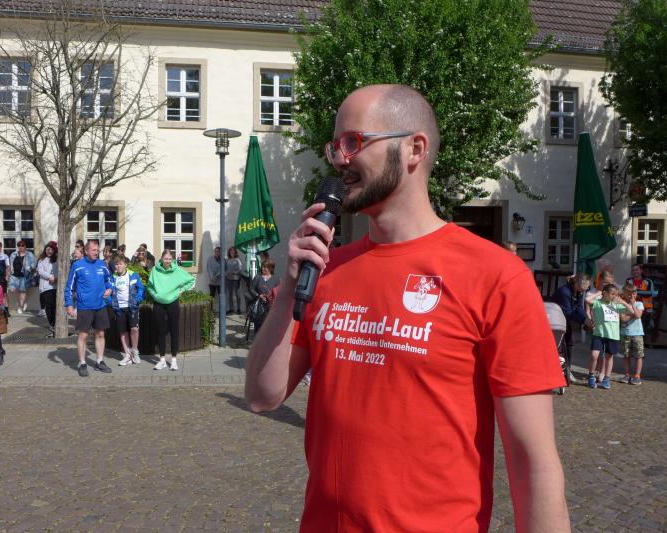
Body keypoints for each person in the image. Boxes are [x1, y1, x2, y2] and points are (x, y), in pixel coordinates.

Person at [245, 84, 569, 531]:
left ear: (414, 149)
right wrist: (287, 288)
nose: (338, 159)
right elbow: (262, 396)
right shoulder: (326, 270)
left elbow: (533, 462)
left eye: (354, 142)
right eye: (335, 146)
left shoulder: (497, 276)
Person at [64, 240, 113, 377]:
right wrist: (69, 304)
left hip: (100, 305)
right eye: (93, 250)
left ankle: (99, 361)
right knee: (83, 335)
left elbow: (109, 280)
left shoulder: (101, 264)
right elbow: (69, 287)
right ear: (86, 251)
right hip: (85, 306)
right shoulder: (77, 266)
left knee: (100, 334)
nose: (96, 252)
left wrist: (110, 289)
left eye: (97, 250)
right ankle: (82, 363)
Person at [147, 249, 195, 371]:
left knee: (174, 331)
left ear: (172, 260)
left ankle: (174, 360)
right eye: (165, 258)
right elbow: (150, 286)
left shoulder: (177, 270)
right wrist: (155, 295)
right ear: (161, 259)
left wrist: (181, 290)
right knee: (160, 331)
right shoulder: (155, 270)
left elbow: (191, 280)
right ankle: (162, 360)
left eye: (169, 259)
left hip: (173, 302)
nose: (167, 261)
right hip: (158, 303)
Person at [585, 282, 639, 389]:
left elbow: (631, 311)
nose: (614, 296)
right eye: (612, 294)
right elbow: (587, 300)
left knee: (609, 357)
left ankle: (606, 378)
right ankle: (591, 376)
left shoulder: (616, 305)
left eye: (616, 294)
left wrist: (623, 302)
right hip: (599, 334)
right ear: (605, 293)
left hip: (612, 335)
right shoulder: (598, 303)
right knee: (594, 355)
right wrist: (599, 293)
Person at [550, 273, 592, 383]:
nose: (583, 291)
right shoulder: (564, 292)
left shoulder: (579, 291)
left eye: (586, 289)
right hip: (554, 320)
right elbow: (568, 312)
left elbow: (579, 308)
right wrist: (584, 321)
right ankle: (557, 370)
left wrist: (586, 319)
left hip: (564, 319)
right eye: (582, 288)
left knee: (569, 343)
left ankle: (567, 370)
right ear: (576, 283)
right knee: (559, 345)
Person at [110, 256, 145, 366]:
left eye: (120, 264)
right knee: (123, 331)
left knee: (134, 329)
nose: (118, 266)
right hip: (119, 308)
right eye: (116, 264)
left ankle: (135, 351)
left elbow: (141, 288)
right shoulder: (113, 277)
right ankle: (127, 354)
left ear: (125, 265)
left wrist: (138, 299)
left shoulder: (133, 275)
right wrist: (111, 302)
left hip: (132, 307)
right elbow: (108, 291)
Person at [620, 283, 646, 385]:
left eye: (634, 293)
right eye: (629, 294)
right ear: (624, 293)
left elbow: (638, 315)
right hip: (625, 333)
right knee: (626, 355)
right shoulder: (621, 304)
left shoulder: (639, 304)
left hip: (637, 334)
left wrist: (633, 305)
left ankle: (637, 376)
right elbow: (623, 319)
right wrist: (633, 313)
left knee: (638, 355)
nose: (631, 296)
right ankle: (627, 375)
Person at [247, 259, 279, 336]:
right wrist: (258, 295)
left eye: (266, 267)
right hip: (259, 306)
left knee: (269, 326)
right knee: (258, 326)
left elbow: (278, 291)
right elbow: (251, 289)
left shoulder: (276, 278)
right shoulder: (258, 277)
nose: (263, 268)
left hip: (271, 306)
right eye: (263, 266)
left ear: (271, 268)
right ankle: (257, 341)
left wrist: (271, 297)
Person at [625, 263, 657, 334]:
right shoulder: (628, 281)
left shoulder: (648, 281)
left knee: (644, 330)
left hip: (645, 309)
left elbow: (650, 294)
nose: (635, 272)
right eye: (633, 270)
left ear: (641, 271)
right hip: (632, 308)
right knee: (631, 328)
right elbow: (626, 293)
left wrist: (636, 291)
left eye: (637, 270)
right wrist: (639, 292)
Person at [9, 240, 36, 314]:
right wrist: (9, 272)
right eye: (19, 245)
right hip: (14, 275)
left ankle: (20, 306)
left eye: (22, 245)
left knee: (22, 291)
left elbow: (34, 264)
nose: (20, 247)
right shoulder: (13, 254)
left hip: (24, 276)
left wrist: (29, 268)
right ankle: (22, 301)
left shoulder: (30, 254)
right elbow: (10, 264)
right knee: (12, 289)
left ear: (25, 246)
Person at [37, 241, 59, 332]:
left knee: (55, 306)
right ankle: (51, 323)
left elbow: (59, 270)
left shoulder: (57, 259)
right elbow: (40, 271)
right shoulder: (42, 260)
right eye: (47, 249)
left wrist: (56, 278)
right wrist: (50, 277)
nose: (49, 251)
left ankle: (55, 323)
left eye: (51, 249)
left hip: (55, 287)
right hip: (46, 287)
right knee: (48, 306)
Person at [225, 247, 243, 314]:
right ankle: (231, 308)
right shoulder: (227, 260)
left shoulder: (238, 260)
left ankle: (238, 309)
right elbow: (225, 269)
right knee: (230, 294)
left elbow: (240, 270)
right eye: (231, 251)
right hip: (228, 279)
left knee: (237, 294)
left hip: (236, 279)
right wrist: (226, 273)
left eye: (233, 251)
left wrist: (232, 272)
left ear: (235, 252)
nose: (232, 252)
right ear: (229, 252)